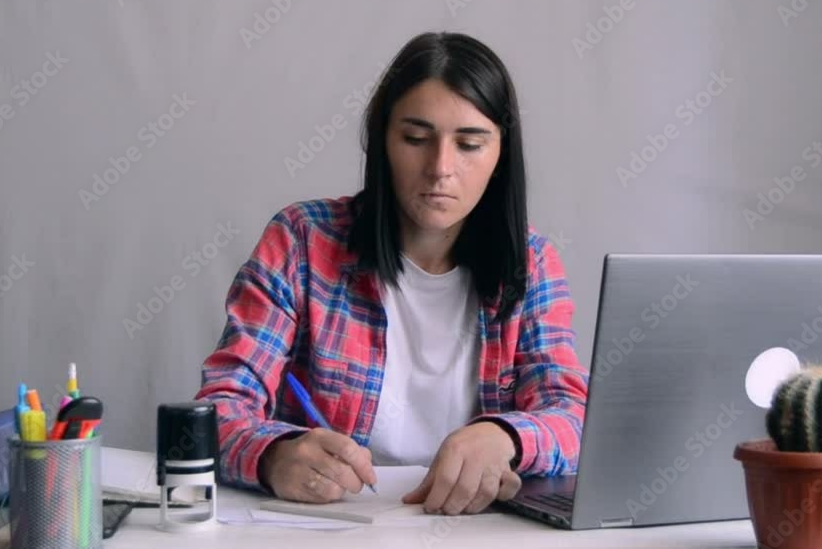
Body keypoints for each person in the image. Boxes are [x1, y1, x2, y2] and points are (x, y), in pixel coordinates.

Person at [193, 31, 589, 516]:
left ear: (500, 155)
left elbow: (573, 414)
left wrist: (506, 436)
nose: (440, 168)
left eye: (469, 144)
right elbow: (219, 409)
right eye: (416, 139)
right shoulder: (301, 241)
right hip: (330, 527)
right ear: (382, 141)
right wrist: (273, 455)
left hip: (472, 529)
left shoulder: (530, 262)